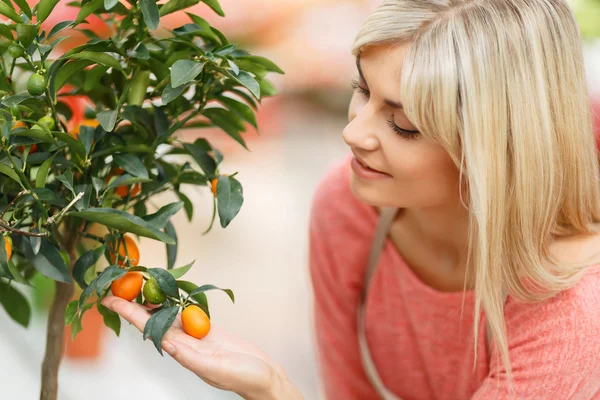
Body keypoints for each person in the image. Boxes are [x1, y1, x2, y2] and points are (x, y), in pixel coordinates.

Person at [102, 0, 600, 398]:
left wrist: (275, 390)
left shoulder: (572, 315)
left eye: (403, 125)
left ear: (499, 148)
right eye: (362, 90)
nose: (352, 132)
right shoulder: (349, 206)